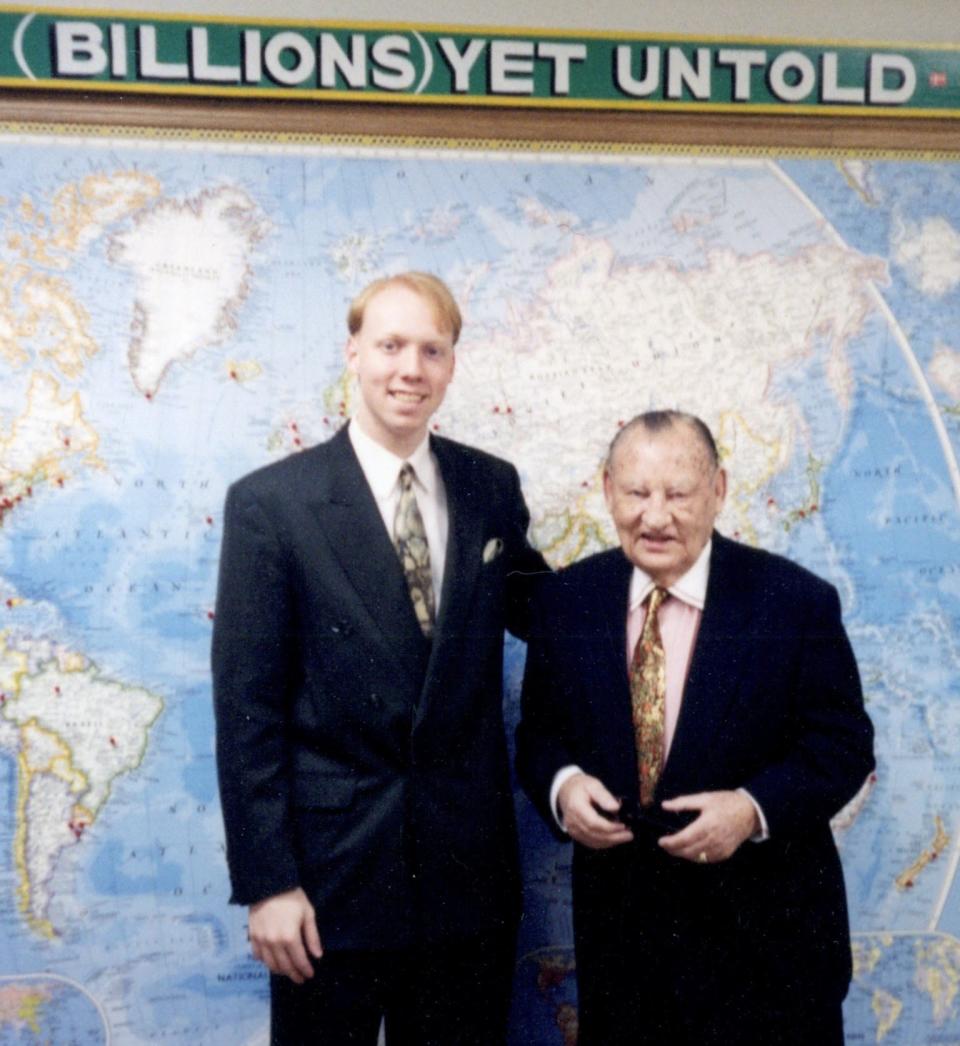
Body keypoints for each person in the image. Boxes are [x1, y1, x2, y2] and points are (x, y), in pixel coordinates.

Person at [212, 272, 548, 1045]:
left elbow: (547, 612)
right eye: (391, 345)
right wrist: (270, 886)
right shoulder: (273, 505)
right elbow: (246, 710)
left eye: (432, 349)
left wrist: (671, 589)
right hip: (329, 889)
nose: (411, 368)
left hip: (467, 884)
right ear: (353, 353)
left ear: (452, 365)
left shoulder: (489, 485)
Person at [516, 409, 874, 1046]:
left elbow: (843, 746)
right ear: (606, 490)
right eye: (636, 493)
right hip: (625, 961)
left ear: (719, 491)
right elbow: (541, 736)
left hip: (769, 957)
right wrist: (565, 785)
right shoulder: (566, 602)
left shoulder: (794, 602)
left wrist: (750, 810)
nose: (655, 517)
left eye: (678, 494)